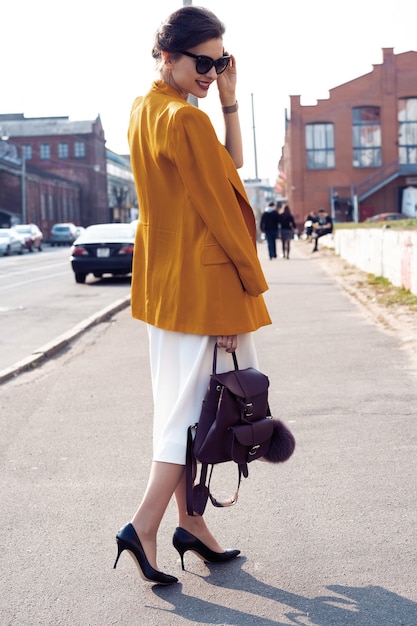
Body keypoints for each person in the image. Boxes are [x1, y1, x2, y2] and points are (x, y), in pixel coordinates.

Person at [113, 6, 272, 586]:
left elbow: (225, 167)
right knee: (191, 420)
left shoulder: (144, 111)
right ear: (168, 56)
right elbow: (225, 211)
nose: (211, 71)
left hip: (166, 288)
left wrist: (226, 99)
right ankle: (143, 525)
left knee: (180, 413)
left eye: (219, 61)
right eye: (202, 62)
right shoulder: (185, 121)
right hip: (204, 290)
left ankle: (192, 525)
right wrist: (242, 294)